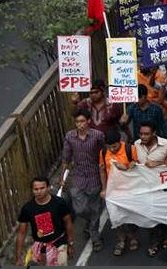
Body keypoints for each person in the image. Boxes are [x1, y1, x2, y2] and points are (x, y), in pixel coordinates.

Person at [60, 108, 105, 253]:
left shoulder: (98, 136)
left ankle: (95, 237)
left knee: (96, 207)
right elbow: (66, 158)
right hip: (78, 176)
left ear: (88, 121)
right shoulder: (70, 137)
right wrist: (62, 177)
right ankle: (91, 222)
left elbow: (104, 153)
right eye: (77, 122)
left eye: (82, 121)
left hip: (95, 175)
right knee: (79, 208)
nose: (80, 124)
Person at [133, 121, 167, 257]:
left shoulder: (166, 145)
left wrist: (160, 163)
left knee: (163, 214)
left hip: (163, 187)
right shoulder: (136, 145)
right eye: (141, 134)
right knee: (150, 216)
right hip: (145, 187)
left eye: (146, 134)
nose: (143, 137)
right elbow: (134, 164)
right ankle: (154, 242)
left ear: (154, 133)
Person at [15, 177, 74, 267]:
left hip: (59, 245)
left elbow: (68, 223)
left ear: (48, 188)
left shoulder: (59, 203)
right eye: (36, 189)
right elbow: (21, 233)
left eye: (42, 188)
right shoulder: (27, 208)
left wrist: (70, 244)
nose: (39, 191)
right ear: (32, 190)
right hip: (39, 249)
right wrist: (18, 256)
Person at [99, 129, 139, 256]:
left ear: (120, 142)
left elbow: (137, 166)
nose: (112, 149)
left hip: (129, 189)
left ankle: (132, 237)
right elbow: (102, 171)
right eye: (109, 147)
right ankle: (121, 240)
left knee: (128, 215)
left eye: (114, 146)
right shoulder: (103, 152)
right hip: (113, 190)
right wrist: (104, 189)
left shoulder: (130, 149)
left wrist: (126, 167)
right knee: (115, 216)